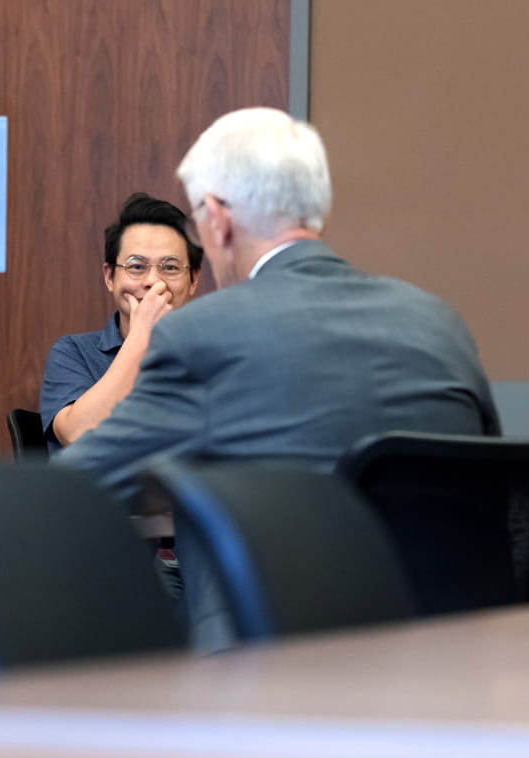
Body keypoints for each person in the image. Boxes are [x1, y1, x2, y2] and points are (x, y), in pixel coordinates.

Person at [55, 108, 500, 492]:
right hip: (461, 592)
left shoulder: (200, 333)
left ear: (221, 220)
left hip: (292, 589)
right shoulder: (439, 322)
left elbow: (81, 479)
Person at [40, 192, 203, 452]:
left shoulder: (216, 353)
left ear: (193, 279)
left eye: (170, 267)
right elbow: (78, 435)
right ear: (109, 277)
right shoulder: (74, 352)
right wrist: (141, 337)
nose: (152, 281)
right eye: (136, 266)